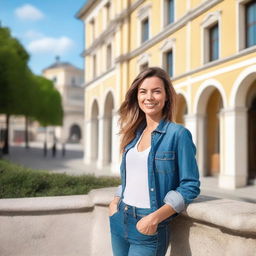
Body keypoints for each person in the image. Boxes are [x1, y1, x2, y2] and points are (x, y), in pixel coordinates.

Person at [108, 67, 200, 256]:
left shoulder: (178, 134)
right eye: (143, 91)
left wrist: (155, 218)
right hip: (120, 219)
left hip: (149, 226)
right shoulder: (134, 134)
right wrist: (115, 201)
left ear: (166, 96)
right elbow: (132, 177)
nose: (149, 97)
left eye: (156, 91)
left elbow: (190, 185)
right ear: (137, 97)